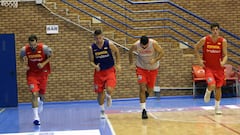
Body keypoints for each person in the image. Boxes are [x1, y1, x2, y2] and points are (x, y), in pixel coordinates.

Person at [194, 23, 228, 115]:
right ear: (211, 30)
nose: (215, 31)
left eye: (217, 29)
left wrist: (223, 62)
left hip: (219, 68)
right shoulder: (205, 40)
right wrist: (199, 60)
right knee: (212, 85)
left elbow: (225, 55)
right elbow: (196, 48)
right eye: (213, 30)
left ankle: (217, 108)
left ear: (219, 30)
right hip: (208, 68)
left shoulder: (223, 41)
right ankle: (208, 91)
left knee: (218, 87)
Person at [88, 30, 121, 119]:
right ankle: (102, 110)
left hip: (109, 70)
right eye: (97, 38)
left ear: (103, 36)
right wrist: (95, 66)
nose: (99, 40)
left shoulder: (109, 44)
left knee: (109, 89)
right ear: (94, 38)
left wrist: (118, 64)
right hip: (99, 73)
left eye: (100, 38)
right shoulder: (91, 48)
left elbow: (117, 51)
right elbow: (91, 61)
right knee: (100, 93)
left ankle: (109, 96)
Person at [20, 35, 52, 125]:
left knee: (41, 95)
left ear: (36, 42)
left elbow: (50, 56)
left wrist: (43, 63)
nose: (32, 47)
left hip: (42, 73)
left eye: (34, 45)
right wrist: (24, 65)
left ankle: (41, 102)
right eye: (31, 45)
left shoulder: (44, 48)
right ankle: (36, 117)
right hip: (32, 74)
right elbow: (20, 57)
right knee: (34, 93)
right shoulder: (24, 49)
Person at [129, 36, 164, 119]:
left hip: (153, 69)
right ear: (140, 43)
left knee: (150, 89)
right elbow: (130, 52)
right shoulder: (136, 45)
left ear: (148, 42)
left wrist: (155, 60)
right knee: (142, 87)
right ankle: (143, 110)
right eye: (142, 46)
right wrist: (131, 63)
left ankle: (144, 96)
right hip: (141, 68)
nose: (144, 48)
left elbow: (162, 53)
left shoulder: (154, 44)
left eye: (146, 46)